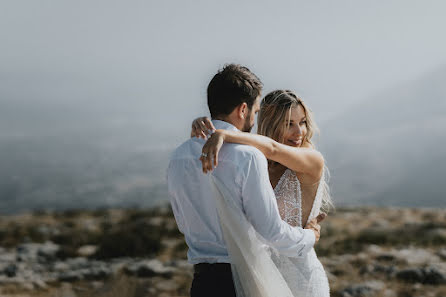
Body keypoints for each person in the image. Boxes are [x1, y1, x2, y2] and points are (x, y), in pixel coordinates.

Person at [167, 64, 325, 297]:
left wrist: (218, 133)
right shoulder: (250, 157)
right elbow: (271, 232)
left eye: (301, 122)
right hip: (247, 278)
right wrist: (310, 236)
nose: (298, 131)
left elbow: (183, 224)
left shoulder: (179, 156)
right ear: (243, 109)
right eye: (255, 110)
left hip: (203, 283)